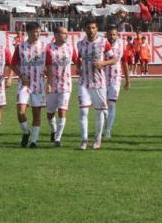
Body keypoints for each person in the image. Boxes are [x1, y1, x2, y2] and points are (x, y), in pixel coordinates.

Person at [75, 19, 117, 150]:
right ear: (85, 29)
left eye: (93, 28)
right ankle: (84, 140)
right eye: (88, 28)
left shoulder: (104, 43)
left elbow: (114, 59)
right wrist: (78, 67)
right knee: (83, 111)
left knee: (99, 112)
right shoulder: (80, 44)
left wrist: (102, 64)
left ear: (97, 29)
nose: (91, 30)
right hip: (84, 82)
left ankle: (97, 139)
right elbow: (79, 58)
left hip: (98, 83)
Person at [11, 22, 47, 148]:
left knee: (37, 113)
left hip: (39, 84)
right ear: (29, 32)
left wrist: (48, 75)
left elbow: (49, 64)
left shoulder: (44, 47)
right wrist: (21, 76)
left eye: (39, 31)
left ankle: (34, 141)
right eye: (34, 31)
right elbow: (12, 64)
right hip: (24, 84)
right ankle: (26, 132)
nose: (37, 34)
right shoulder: (20, 47)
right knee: (21, 111)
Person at [45, 26, 77, 146]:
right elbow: (47, 66)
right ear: (56, 35)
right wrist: (48, 82)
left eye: (66, 33)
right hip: (52, 85)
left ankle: (58, 138)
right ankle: (54, 130)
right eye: (63, 33)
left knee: (62, 111)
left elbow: (77, 61)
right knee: (49, 113)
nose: (66, 35)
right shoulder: (49, 49)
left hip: (66, 85)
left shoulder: (70, 48)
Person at [104, 25, 131, 139]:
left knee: (111, 104)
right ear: (106, 35)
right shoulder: (101, 45)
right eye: (110, 34)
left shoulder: (121, 47)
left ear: (117, 35)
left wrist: (127, 80)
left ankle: (108, 130)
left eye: (114, 34)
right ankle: (106, 125)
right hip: (101, 78)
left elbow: (124, 63)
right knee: (102, 106)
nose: (112, 36)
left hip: (115, 78)